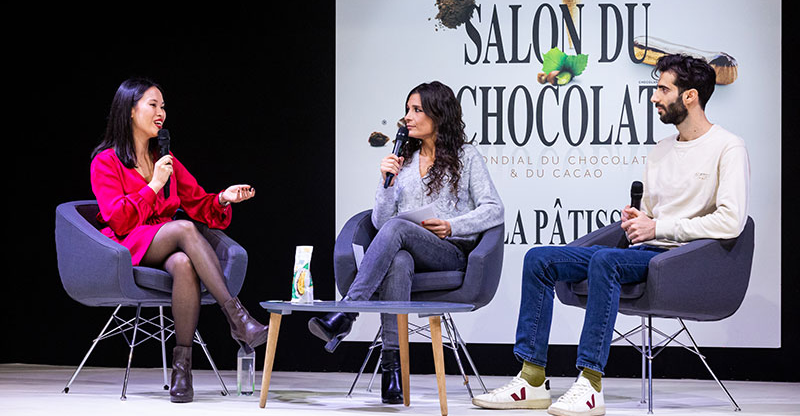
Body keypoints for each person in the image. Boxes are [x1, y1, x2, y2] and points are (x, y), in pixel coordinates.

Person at [473, 54, 750, 415]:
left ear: (690, 96)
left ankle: (590, 384)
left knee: (606, 261)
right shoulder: (661, 150)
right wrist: (642, 218)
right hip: (645, 251)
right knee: (539, 258)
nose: (654, 97)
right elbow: (653, 214)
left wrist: (659, 226)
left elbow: (731, 222)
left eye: (663, 89)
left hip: (683, 262)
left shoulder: (728, 147)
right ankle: (532, 379)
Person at [308, 81, 504, 404]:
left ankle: (347, 312)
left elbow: (494, 209)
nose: (407, 118)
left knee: (400, 230)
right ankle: (392, 371)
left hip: (450, 252)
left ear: (438, 115)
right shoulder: (406, 161)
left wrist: (451, 226)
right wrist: (386, 184)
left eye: (416, 110)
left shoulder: (466, 157)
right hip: (408, 250)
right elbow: (382, 225)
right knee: (398, 261)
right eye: (407, 110)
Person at [90, 77, 269, 403]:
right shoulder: (106, 162)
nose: (161, 113)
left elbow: (199, 204)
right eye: (153, 105)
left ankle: (182, 371)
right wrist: (154, 185)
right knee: (185, 229)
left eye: (163, 106)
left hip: (163, 242)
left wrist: (224, 198)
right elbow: (118, 218)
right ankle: (237, 318)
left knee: (185, 263)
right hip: (126, 244)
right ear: (130, 111)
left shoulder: (165, 157)